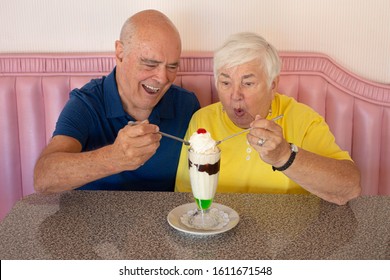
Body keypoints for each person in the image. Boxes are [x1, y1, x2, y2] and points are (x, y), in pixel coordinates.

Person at [175, 32, 361, 205]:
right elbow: (185, 197)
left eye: (248, 83)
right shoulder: (203, 122)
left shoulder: (303, 119)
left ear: (273, 84)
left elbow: (351, 187)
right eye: (225, 83)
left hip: (288, 236)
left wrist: (284, 156)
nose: (235, 95)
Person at [34, 10, 200, 193]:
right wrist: (114, 158)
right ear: (120, 53)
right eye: (150, 64)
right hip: (93, 219)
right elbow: (43, 179)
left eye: (171, 67)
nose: (162, 78)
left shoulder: (186, 104)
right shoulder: (87, 103)